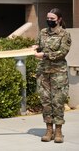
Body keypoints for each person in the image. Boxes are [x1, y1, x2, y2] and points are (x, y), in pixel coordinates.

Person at [33, 8, 71, 143]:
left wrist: (44, 54)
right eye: (48, 18)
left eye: (52, 19)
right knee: (46, 102)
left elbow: (62, 53)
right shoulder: (43, 32)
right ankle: (49, 130)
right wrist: (34, 48)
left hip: (58, 73)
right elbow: (38, 46)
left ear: (59, 20)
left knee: (58, 101)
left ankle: (59, 130)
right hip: (43, 72)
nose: (49, 21)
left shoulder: (64, 34)